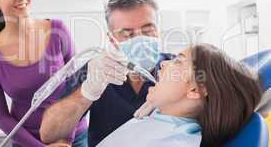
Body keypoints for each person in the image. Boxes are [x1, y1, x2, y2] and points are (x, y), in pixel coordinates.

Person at [40, 0, 175, 146]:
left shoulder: (178, 68)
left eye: (147, 30)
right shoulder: (97, 69)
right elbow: (48, 134)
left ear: (158, 29)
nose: (140, 39)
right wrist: (87, 91)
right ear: (112, 39)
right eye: (127, 34)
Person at [0, 0, 87, 147]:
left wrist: (65, 139)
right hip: (27, 141)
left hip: (74, 137)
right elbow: (1, 116)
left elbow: (78, 88)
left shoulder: (57, 30)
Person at [97, 44, 262, 147]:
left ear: (195, 90)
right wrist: (159, 110)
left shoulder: (174, 143)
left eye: (178, 61)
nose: (163, 63)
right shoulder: (164, 115)